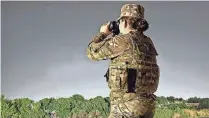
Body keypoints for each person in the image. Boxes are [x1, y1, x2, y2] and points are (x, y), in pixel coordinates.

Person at [86, 4, 160, 118]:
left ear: (124, 22)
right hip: (147, 106)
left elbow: (92, 52)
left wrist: (103, 33)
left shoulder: (123, 41)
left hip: (126, 106)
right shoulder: (148, 42)